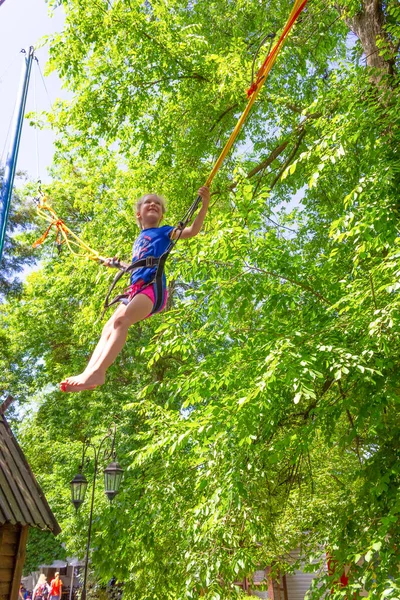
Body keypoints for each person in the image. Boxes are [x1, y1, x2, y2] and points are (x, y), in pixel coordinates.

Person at [60, 186, 210, 392]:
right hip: (135, 290)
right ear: (139, 214)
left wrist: (204, 204)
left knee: (122, 321)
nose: (153, 204)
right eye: (148, 202)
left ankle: (99, 371)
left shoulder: (165, 231)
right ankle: (88, 373)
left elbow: (192, 231)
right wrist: (116, 264)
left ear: (162, 214)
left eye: (157, 204)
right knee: (108, 328)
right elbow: (137, 265)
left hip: (152, 289)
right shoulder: (139, 240)